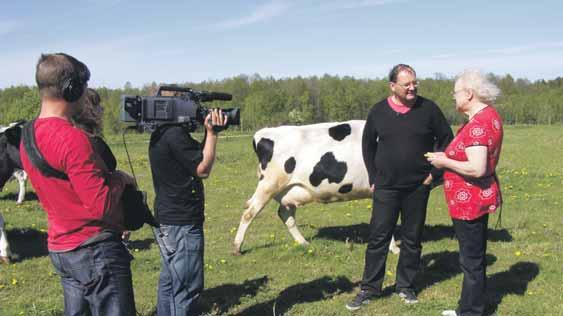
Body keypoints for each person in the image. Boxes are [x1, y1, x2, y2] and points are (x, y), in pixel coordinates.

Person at [20, 53, 137, 316]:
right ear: (71, 89)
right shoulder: (73, 139)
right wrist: (120, 178)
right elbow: (102, 206)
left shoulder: (28, 136)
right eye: (83, 86)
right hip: (94, 250)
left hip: (61, 249)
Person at [346, 64, 454, 311]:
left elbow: (447, 140)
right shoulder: (378, 112)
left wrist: (434, 174)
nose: (412, 87)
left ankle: (405, 286)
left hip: (418, 186)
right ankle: (370, 288)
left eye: (415, 83)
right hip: (386, 187)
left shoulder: (429, 109)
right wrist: (374, 176)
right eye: (407, 84)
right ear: (393, 86)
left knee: (412, 238)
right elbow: (368, 146)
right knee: (378, 238)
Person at [426, 70, 503, 316]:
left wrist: (444, 161)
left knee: (470, 260)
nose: (453, 97)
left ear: (469, 94)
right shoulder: (489, 116)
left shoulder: (478, 125)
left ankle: (471, 312)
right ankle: (470, 307)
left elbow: (477, 168)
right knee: (474, 258)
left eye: (456, 92)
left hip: (470, 202)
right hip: (477, 198)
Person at [149, 109, 227, 315]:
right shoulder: (175, 135)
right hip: (181, 224)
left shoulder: (161, 132)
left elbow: (193, 158)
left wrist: (207, 133)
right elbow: (202, 168)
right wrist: (212, 134)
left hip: (167, 219)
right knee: (186, 287)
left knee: (169, 282)